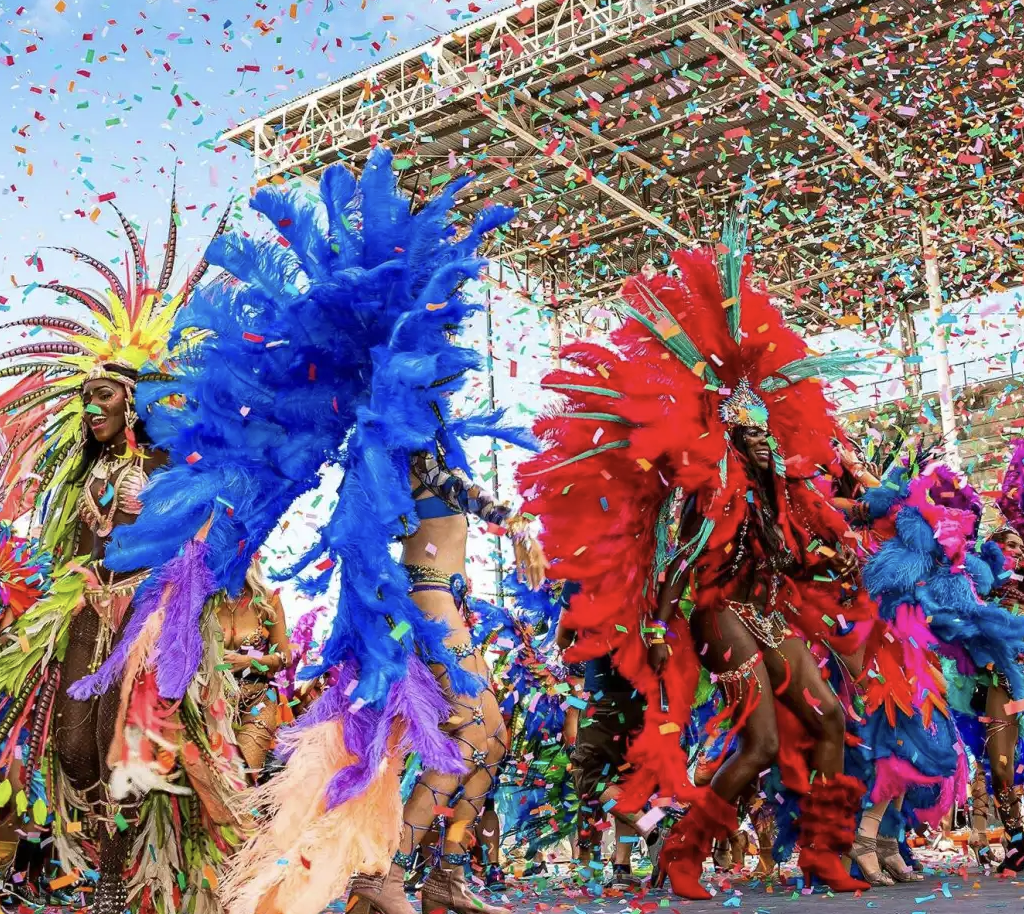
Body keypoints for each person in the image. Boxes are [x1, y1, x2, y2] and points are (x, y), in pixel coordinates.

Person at [86, 150, 544, 914]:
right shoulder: (395, 426)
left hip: (448, 595)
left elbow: (449, 486)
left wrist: (505, 517)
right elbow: (416, 491)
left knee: (491, 737)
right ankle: (387, 867)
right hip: (428, 599)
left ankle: (443, 871)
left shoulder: (426, 424)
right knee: (475, 730)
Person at [520, 231, 882, 899]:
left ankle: (824, 853)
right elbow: (680, 560)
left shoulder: (783, 490)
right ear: (730, 430)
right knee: (762, 745)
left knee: (831, 719)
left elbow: (800, 552)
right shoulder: (710, 487)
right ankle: (683, 852)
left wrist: (838, 559)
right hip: (719, 616)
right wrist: (658, 629)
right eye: (750, 427)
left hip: (767, 613)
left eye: (766, 426)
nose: (764, 435)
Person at [0, 199, 248, 914]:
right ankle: (101, 860)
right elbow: (73, 548)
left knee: (129, 753)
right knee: (74, 750)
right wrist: (75, 588)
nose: (89, 409)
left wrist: (146, 589)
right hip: (83, 619)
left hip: (146, 623)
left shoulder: (170, 465)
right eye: (82, 398)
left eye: (101, 394)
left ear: (135, 400)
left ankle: (116, 879)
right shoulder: (84, 474)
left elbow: (201, 541)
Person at [216, 559, 293, 777]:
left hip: (256, 701)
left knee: (242, 776)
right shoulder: (206, 601)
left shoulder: (268, 601)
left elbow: (284, 657)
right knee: (210, 782)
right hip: (213, 702)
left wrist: (250, 661)